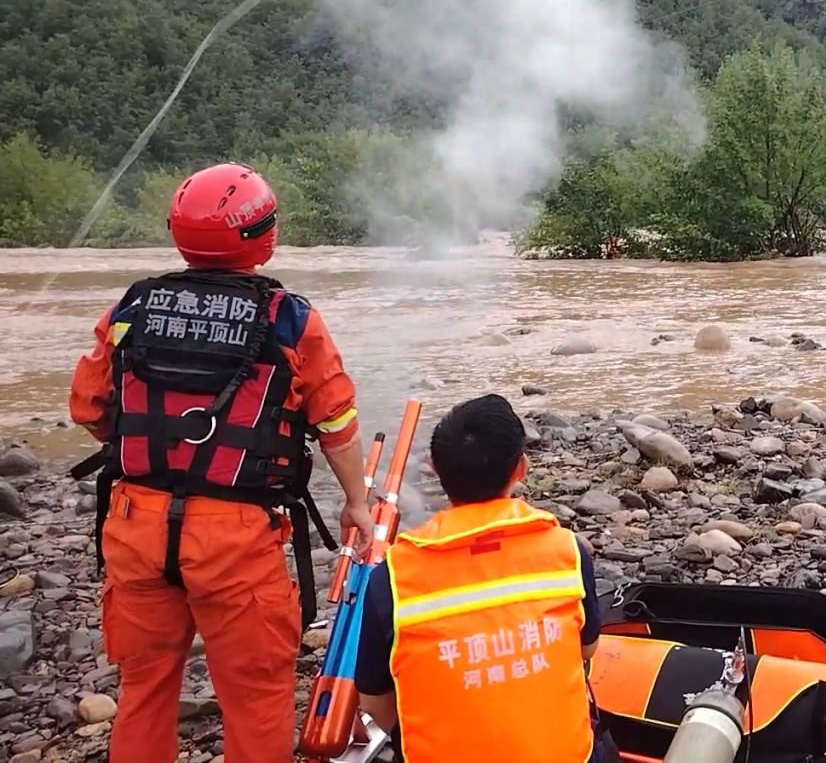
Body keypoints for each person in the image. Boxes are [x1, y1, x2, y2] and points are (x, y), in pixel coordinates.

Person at [68, 162, 375, 763]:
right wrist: (357, 503)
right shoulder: (289, 318)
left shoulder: (133, 305)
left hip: (135, 525)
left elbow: (89, 407)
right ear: (262, 234)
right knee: (256, 696)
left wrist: (137, 443)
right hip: (235, 537)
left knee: (144, 689)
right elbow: (335, 422)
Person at [355, 393, 615, 763]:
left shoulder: (393, 577)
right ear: (520, 467)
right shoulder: (566, 550)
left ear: (434, 467)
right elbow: (586, 649)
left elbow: (374, 703)